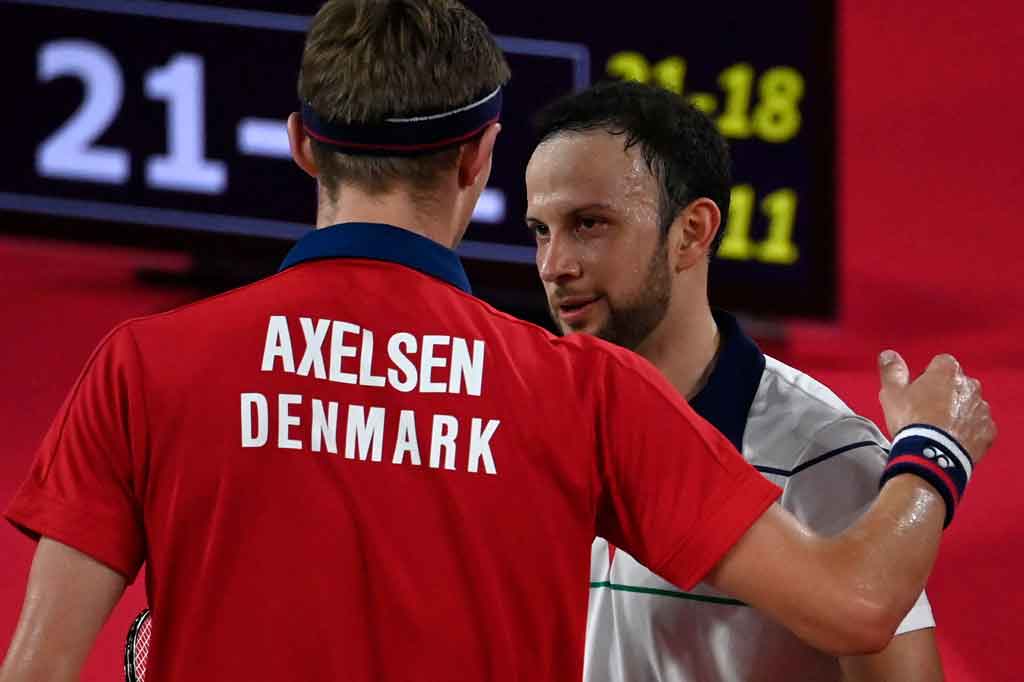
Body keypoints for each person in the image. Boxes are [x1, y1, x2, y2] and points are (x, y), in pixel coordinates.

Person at [0, 2, 996, 681]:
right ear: (481, 156)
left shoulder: (144, 365)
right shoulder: (584, 393)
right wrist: (931, 445)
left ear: (301, 143)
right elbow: (859, 602)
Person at [524, 80, 949, 681]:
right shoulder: (516, 420)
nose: (553, 265)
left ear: (692, 231)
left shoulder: (820, 454)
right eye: (541, 230)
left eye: (589, 224)